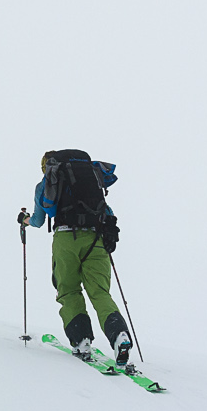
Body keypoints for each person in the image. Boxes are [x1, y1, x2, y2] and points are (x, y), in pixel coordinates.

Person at [25, 149, 132, 364]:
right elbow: (106, 212)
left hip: (66, 239)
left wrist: (24, 220)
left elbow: (37, 220)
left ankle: (81, 340)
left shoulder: (46, 183)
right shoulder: (92, 180)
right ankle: (119, 335)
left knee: (69, 289)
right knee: (100, 292)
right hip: (96, 239)